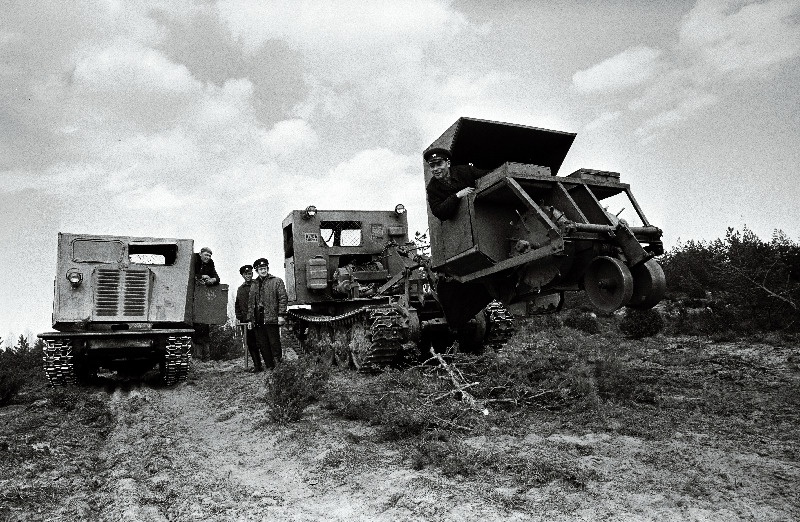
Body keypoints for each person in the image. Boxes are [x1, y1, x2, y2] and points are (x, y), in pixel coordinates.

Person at [424, 147, 490, 221]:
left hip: (485, 212)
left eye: (439, 164)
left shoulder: (466, 171)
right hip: (460, 224)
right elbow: (439, 212)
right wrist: (457, 196)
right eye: (432, 166)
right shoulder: (432, 188)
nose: (435, 169)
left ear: (448, 163)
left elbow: (491, 176)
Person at [247, 257, 288, 369]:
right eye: (261, 269)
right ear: (257, 271)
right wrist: (250, 320)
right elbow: (251, 303)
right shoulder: (254, 284)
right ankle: (270, 367)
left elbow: (283, 298)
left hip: (271, 318)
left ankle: (279, 367)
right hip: (258, 320)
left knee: (274, 343)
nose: (263, 271)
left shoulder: (276, 281)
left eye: (265, 268)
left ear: (267, 268)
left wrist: (281, 315)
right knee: (263, 345)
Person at [192, 246, 220, 360]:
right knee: (196, 328)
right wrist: (201, 276)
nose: (208, 257)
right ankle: (197, 356)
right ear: (200, 254)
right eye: (206, 255)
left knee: (205, 326)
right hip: (193, 297)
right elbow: (189, 274)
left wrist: (212, 280)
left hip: (204, 299)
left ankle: (207, 357)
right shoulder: (193, 260)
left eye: (209, 255)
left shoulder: (210, 264)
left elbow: (217, 277)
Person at [235, 264, 262, 372]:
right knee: (250, 343)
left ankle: (269, 364)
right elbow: (237, 304)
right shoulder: (240, 289)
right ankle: (257, 365)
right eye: (246, 274)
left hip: (257, 319)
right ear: (242, 275)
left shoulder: (257, 285)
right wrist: (239, 317)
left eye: (250, 273)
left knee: (261, 342)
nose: (248, 276)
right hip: (245, 321)